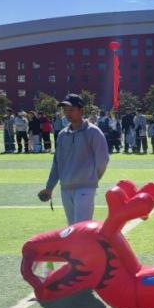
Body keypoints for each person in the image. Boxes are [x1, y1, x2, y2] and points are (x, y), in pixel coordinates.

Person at [38, 94, 110, 225]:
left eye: (71, 110)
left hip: (85, 188)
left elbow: (103, 160)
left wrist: (91, 178)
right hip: (65, 188)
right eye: (65, 110)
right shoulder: (62, 135)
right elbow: (57, 164)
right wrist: (49, 188)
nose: (67, 113)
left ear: (81, 110)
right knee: (72, 228)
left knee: (81, 228)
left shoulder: (93, 132)